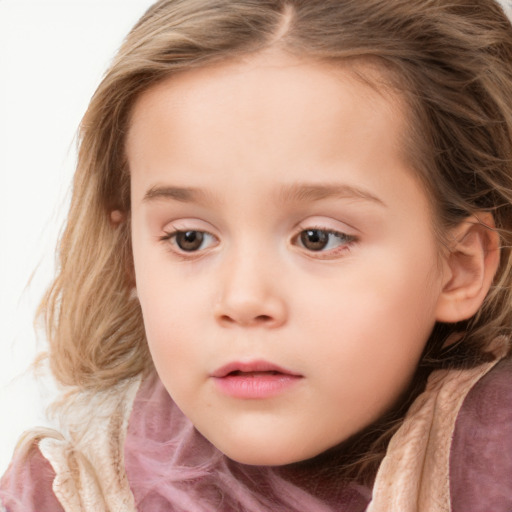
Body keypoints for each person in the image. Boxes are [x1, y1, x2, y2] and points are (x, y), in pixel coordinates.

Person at [1, 0, 512, 510]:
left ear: (458, 267)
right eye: (190, 239)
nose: (244, 299)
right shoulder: (69, 492)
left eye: (318, 238)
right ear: (128, 255)